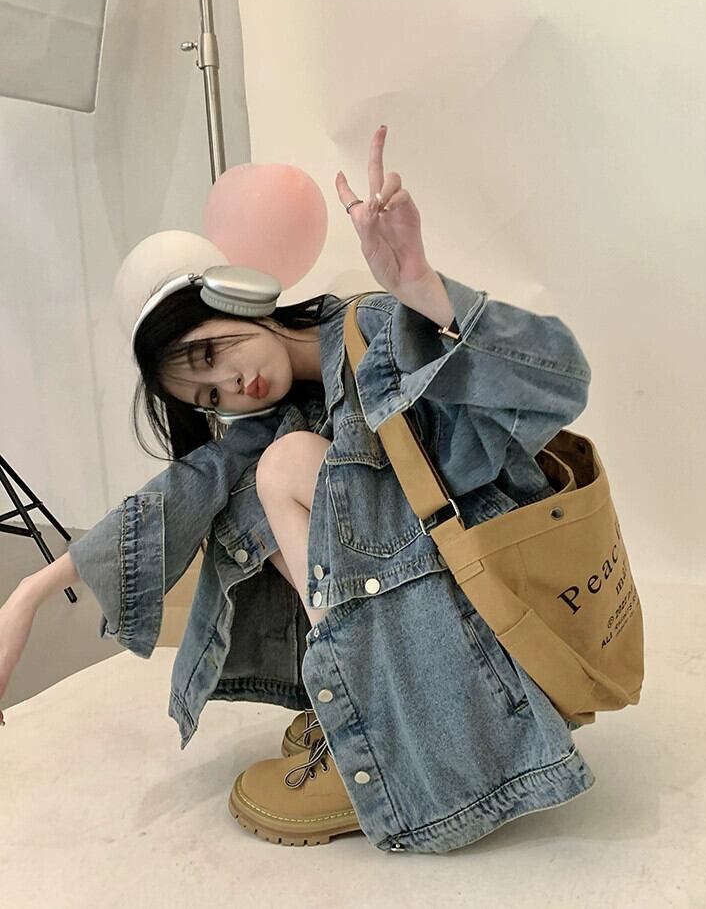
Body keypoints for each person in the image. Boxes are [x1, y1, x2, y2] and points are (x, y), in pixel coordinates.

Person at [0, 125, 596, 853]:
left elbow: (561, 381)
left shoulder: (376, 328)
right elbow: (181, 489)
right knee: (242, 485)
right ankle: (366, 708)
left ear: (239, 296)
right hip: (433, 608)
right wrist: (28, 594)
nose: (232, 385)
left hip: (489, 612)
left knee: (281, 469)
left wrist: (424, 290)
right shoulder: (281, 415)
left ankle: (386, 729)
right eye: (209, 394)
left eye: (210, 352)